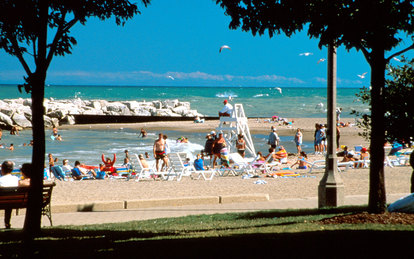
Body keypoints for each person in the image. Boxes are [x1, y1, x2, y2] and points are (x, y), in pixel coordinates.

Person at [0, 161, 19, 229]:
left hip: (2, 202)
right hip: (14, 201)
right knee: (8, 202)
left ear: (2, 169)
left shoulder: (0, 180)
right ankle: (7, 223)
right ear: (11, 169)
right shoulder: (16, 179)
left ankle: (7, 223)